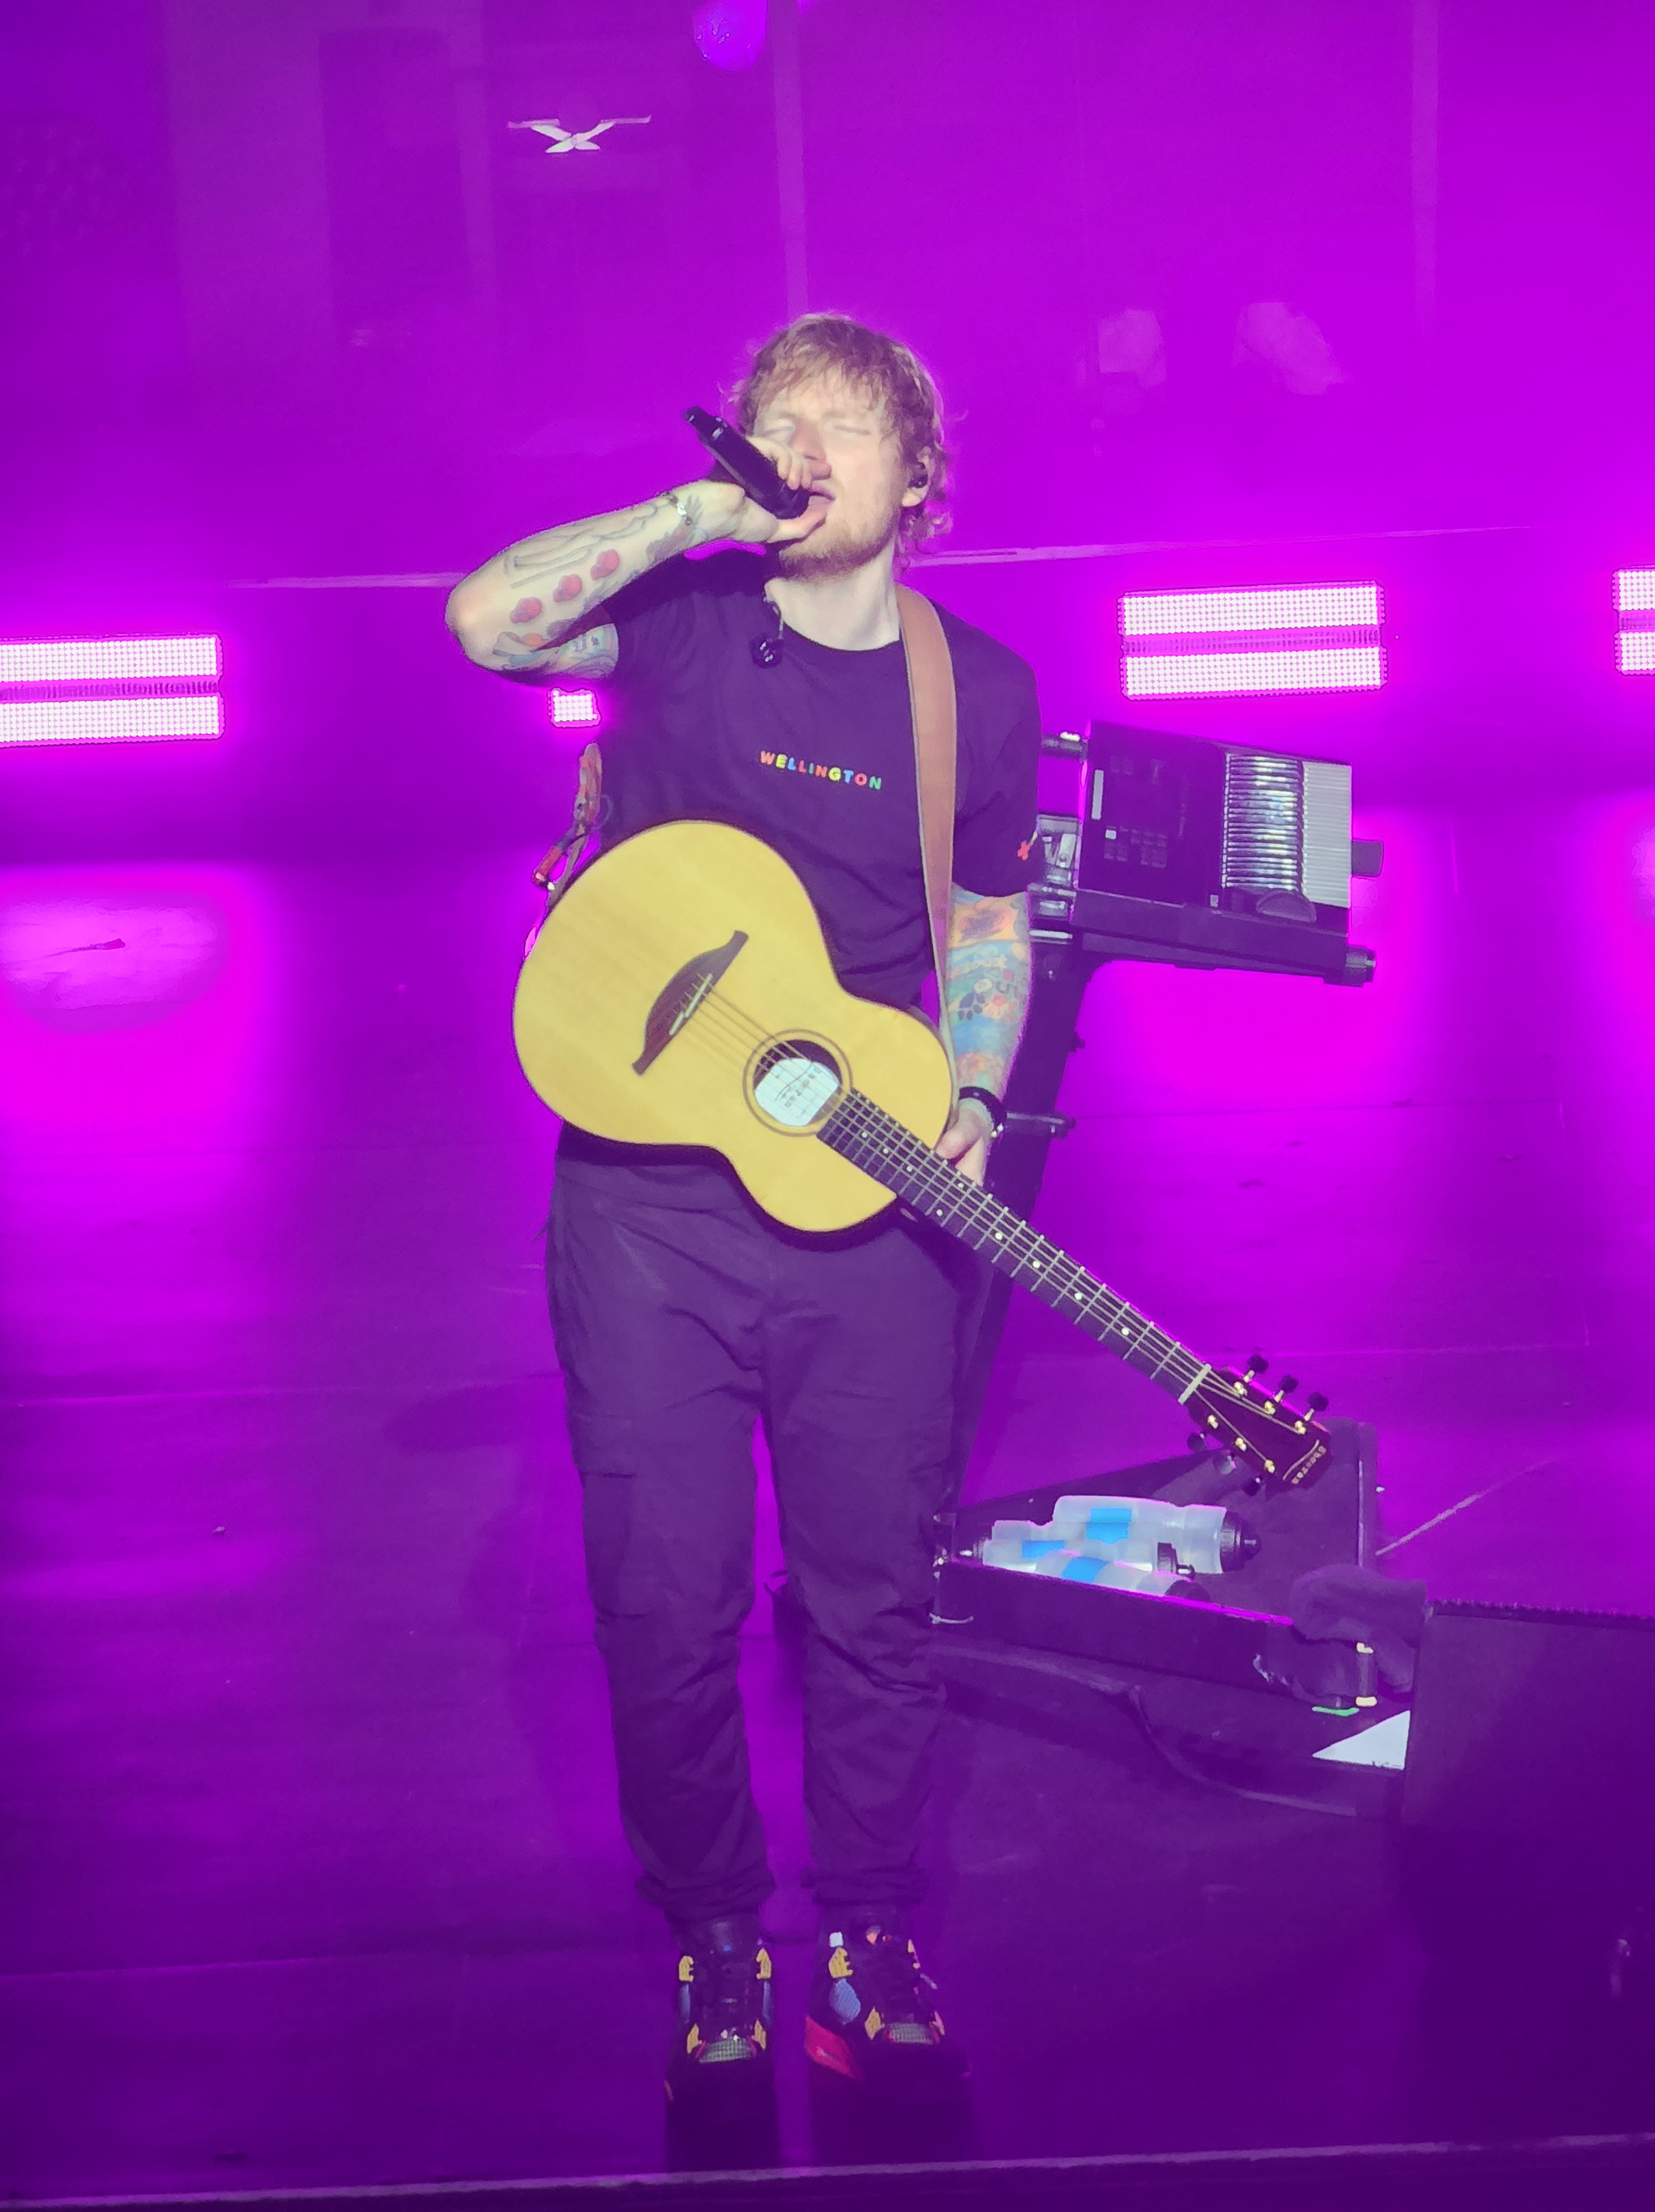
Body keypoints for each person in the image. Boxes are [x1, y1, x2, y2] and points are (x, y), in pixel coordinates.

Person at [446, 314, 1039, 2112]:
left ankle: (868, 1926)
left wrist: (975, 1095)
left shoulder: (975, 689)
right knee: (663, 1601)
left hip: (865, 1203)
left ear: (918, 478)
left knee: (874, 1602)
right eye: (780, 421)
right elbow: (488, 622)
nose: (805, 451)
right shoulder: (684, 620)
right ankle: (714, 1930)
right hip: (645, 1214)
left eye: (845, 427)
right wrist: (687, 512)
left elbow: (990, 920)